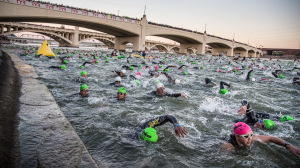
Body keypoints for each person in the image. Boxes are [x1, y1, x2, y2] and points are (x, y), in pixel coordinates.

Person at [222, 122, 300, 157]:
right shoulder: (229, 146)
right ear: (237, 136)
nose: (250, 138)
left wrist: (288, 146)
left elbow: (271, 138)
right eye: (246, 136)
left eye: (251, 135)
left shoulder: (249, 138)